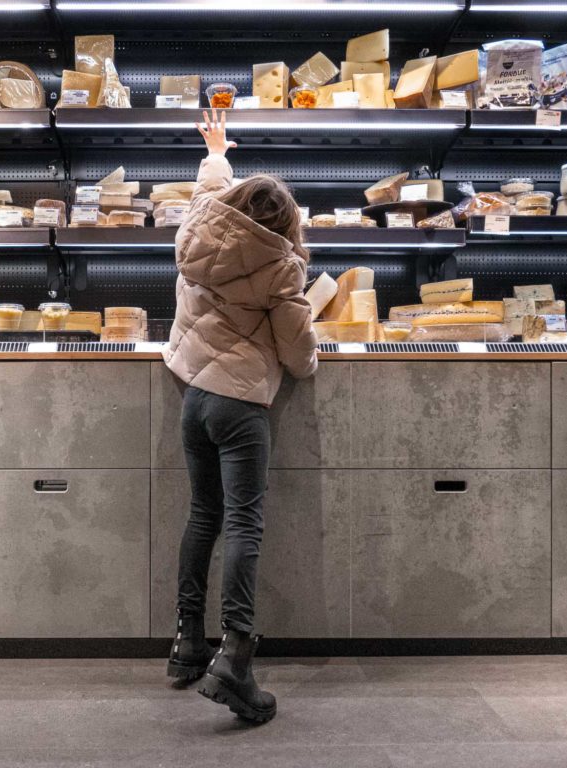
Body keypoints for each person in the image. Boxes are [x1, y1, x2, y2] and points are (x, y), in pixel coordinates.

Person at [162, 110, 319, 723]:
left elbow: (208, 191)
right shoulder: (281, 266)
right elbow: (298, 354)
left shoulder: (200, 230)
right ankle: (235, 658)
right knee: (244, 525)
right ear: (287, 223)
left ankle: (186, 644)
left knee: (203, 516)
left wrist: (217, 153)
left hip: (194, 398)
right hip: (240, 404)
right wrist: (310, 351)